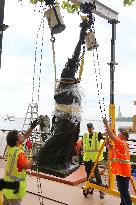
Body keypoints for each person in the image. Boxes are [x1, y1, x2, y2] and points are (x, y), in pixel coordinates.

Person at [3, 119, 39, 205]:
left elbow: (24, 137)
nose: (22, 136)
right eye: (20, 136)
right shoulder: (19, 153)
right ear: (17, 141)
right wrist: (35, 158)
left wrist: (31, 128)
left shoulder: (10, 147)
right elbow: (27, 165)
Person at [103, 118, 132, 205]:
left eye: (120, 133)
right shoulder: (122, 145)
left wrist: (106, 124)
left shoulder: (122, 143)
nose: (118, 135)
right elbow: (110, 147)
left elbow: (112, 136)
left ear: (123, 136)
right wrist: (108, 137)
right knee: (122, 190)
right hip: (121, 172)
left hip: (123, 172)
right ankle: (123, 204)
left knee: (124, 191)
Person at [82, 123, 104, 199]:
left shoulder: (97, 135)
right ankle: (89, 187)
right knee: (88, 174)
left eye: (90, 127)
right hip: (87, 158)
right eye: (88, 128)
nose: (89, 129)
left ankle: (101, 190)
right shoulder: (85, 136)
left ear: (93, 128)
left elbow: (104, 137)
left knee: (96, 173)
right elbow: (83, 145)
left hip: (94, 158)